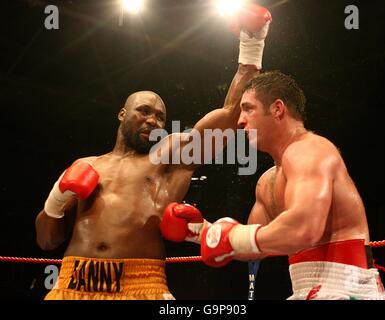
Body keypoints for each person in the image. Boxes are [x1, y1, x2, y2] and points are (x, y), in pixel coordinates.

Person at [35, 4, 272, 300]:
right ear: (122, 114)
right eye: (144, 111)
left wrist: (250, 48)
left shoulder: (169, 156)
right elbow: (46, 241)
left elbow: (228, 116)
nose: (153, 120)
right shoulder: (86, 165)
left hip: (140, 283)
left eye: (160, 116)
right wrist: (58, 197)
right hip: (72, 283)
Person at [160, 70, 385, 300]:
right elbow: (250, 246)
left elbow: (304, 228)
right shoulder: (267, 181)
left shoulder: (309, 150)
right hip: (305, 288)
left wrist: (231, 237)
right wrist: (201, 232)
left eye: (248, 108)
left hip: (348, 287)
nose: (240, 120)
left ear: (277, 109)